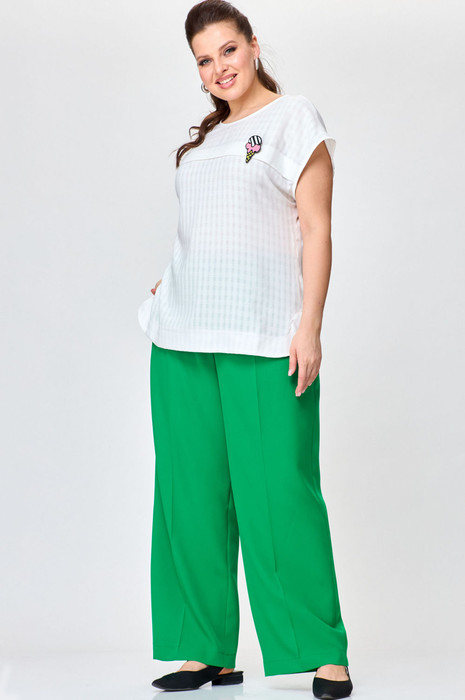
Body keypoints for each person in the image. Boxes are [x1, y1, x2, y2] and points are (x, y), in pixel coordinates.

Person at [137, 1, 353, 698]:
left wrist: (309, 326)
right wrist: (174, 281)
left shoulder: (293, 119)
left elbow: (316, 230)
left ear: (254, 46)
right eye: (204, 60)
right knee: (189, 498)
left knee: (280, 494)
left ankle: (321, 651)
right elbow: (209, 233)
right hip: (181, 337)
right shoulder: (201, 145)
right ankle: (206, 651)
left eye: (227, 50)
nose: (218, 67)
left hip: (264, 336)